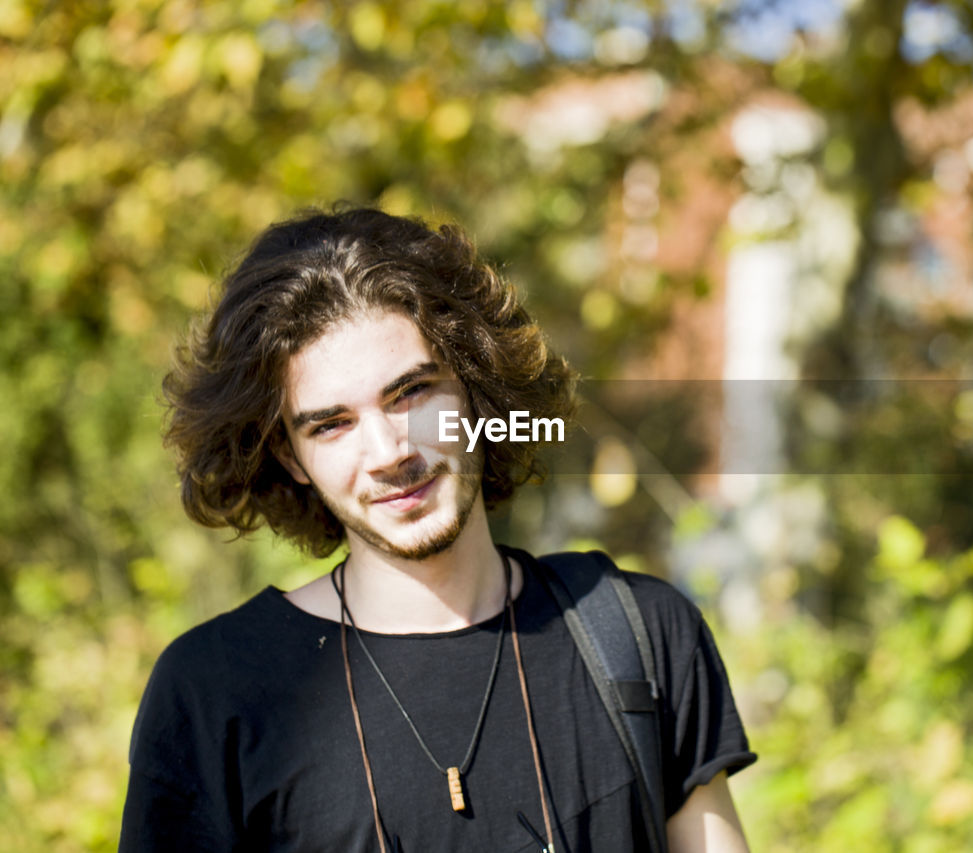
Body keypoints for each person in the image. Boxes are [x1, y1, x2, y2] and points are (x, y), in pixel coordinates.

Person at [120, 207, 755, 852]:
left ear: (476, 392)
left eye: (412, 393)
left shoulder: (644, 635)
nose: (391, 451)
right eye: (330, 424)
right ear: (291, 457)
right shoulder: (213, 693)